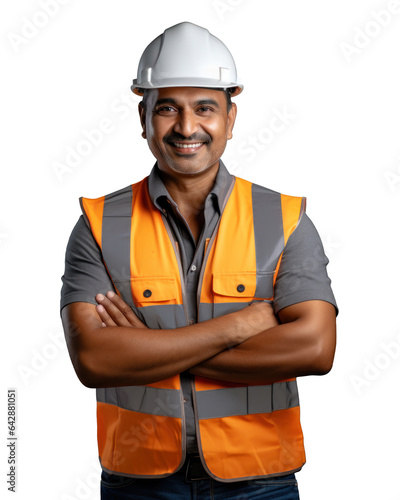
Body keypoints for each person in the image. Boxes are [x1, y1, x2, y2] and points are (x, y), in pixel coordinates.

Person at [61, 21, 337, 500]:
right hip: (139, 483)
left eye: (205, 109)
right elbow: (93, 359)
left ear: (230, 118)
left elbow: (314, 349)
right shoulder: (99, 223)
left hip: (260, 482)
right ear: (143, 115)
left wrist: (148, 349)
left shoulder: (285, 219)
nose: (187, 128)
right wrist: (236, 327)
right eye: (168, 108)